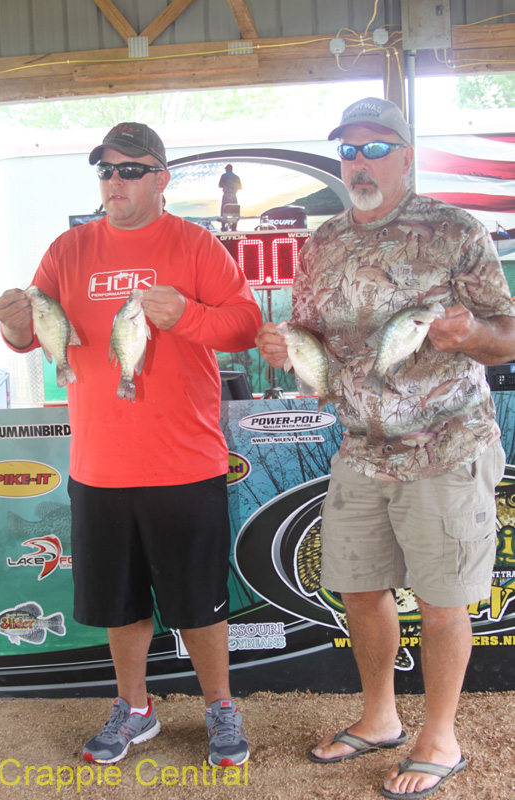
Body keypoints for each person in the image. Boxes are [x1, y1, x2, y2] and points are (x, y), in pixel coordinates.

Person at [255, 97, 515, 799]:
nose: (359, 163)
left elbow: (507, 333)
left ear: (405, 156)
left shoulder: (454, 230)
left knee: (441, 599)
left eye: (375, 149)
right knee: (359, 587)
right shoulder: (322, 241)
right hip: (360, 449)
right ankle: (379, 718)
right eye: (349, 150)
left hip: (444, 445)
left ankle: (441, 736)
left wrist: (471, 336)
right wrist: (285, 346)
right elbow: (309, 333)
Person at [0, 122, 262, 768]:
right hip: (99, 466)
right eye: (106, 170)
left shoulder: (195, 244)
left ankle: (220, 706)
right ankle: (134, 708)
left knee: (199, 602)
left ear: (161, 178)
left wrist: (188, 316)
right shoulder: (68, 250)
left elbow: (246, 325)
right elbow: (34, 332)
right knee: (121, 604)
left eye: (130, 169)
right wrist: (12, 327)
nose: (115, 181)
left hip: (184, 463)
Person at [219, 164, 242, 231]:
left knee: (223, 211)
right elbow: (240, 187)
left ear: (227, 169)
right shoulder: (236, 177)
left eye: (226, 169)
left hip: (226, 195)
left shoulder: (224, 176)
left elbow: (220, 185)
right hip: (234, 195)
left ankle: (223, 228)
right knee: (234, 212)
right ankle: (234, 228)